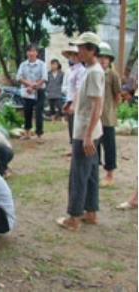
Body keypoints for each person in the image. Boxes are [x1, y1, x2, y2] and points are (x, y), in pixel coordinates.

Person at [56, 32, 105, 231]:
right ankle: (91, 212)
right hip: (92, 131)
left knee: (78, 175)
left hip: (86, 132)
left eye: (81, 48)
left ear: (91, 49)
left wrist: (87, 136)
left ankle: (74, 218)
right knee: (91, 173)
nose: (78, 52)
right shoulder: (92, 69)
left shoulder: (94, 72)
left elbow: (97, 106)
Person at [97, 42, 121, 187]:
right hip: (95, 117)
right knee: (95, 145)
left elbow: (117, 95)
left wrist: (110, 109)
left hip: (107, 117)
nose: (103, 60)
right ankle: (95, 170)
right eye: (100, 57)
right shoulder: (93, 72)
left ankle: (110, 174)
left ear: (110, 60)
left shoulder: (113, 75)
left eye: (106, 58)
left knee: (109, 146)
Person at [16, 44, 48, 142]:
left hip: (39, 91)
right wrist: (29, 85)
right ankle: (27, 133)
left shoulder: (42, 64)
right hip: (27, 92)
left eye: (33, 51)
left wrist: (33, 86)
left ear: (37, 53)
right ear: (27, 53)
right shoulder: (23, 64)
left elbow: (44, 78)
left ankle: (39, 135)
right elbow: (19, 77)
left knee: (38, 112)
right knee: (27, 112)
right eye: (29, 51)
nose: (31, 53)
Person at [61, 45, 86, 154]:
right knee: (71, 125)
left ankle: (77, 148)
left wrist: (73, 104)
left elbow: (79, 88)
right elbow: (71, 89)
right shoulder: (72, 69)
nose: (73, 57)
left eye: (75, 54)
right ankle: (73, 147)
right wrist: (67, 102)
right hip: (71, 99)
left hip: (77, 101)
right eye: (71, 55)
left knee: (76, 125)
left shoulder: (81, 70)